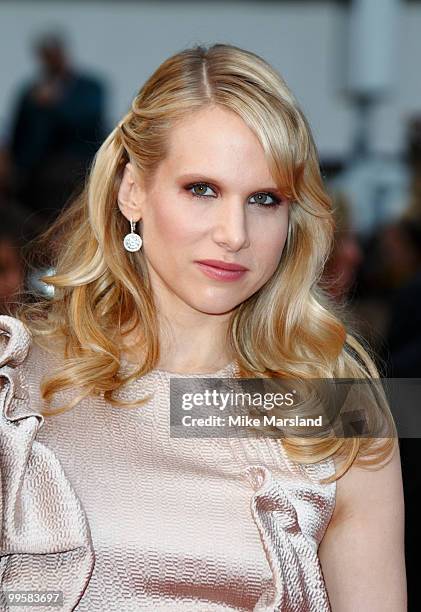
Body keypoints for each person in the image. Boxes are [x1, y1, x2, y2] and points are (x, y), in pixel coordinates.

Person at [0, 43, 405, 611]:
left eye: (264, 199)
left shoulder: (341, 411)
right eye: (202, 190)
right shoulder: (17, 385)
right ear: (132, 191)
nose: (233, 233)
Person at [2, 30, 106, 230]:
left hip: (78, 168)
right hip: (38, 174)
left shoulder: (90, 87)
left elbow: (90, 120)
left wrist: (56, 105)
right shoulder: (31, 92)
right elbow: (20, 133)